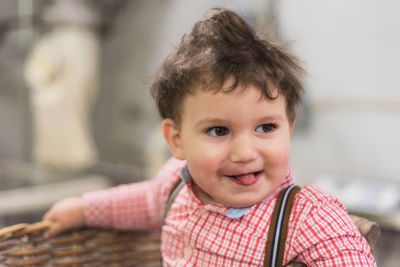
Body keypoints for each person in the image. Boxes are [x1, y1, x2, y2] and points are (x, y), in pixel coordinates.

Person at [44, 8, 376, 266]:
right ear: (176, 140)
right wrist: (83, 209)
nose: (245, 152)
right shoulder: (175, 182)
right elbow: (142, 202)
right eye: (218, 131)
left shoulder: (308, 217)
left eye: (266, 127)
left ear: (289, 126)